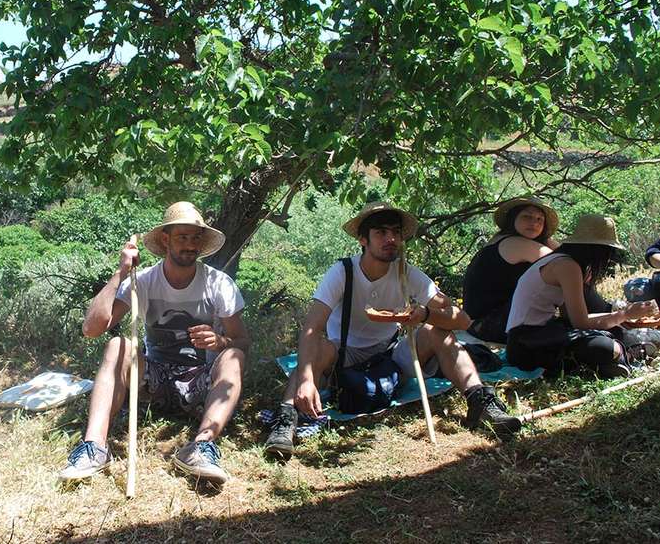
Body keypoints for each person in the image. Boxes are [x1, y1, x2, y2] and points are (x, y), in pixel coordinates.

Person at [264, 202, 521, 457]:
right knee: (316, 350)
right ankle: (286, 420)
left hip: (390, 354)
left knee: (438, 331)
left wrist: (426, 314)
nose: (391, 239)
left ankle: (480, 402)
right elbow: (312, 326)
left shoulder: (407, 274)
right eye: (381, 233)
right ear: (363, 239)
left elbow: (462, 320)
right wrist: (308, 380)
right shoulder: (343, 272)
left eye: (396, 233)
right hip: (343, 354)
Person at [58, 202, 249, 485]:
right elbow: (93, 329)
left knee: (233, 356)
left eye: (196, 238)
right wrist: (121, 272)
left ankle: (201, 448)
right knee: (116, 346)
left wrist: (221, 341)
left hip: (200, 383)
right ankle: (94, 448)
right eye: (182, 237)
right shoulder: (143, 281)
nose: (190, 245)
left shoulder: (218, 284)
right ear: (165, 239)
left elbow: (243, 342)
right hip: (153, 380)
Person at [506, 214, 657, 377]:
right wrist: (626, 314)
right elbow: (581, 323)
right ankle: (622, 356)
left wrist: (618, 318)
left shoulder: (561, 261)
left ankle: (615, 358)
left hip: (538, 336)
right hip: (526, 344)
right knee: (604, 346)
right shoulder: (567, 266)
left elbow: (570, 319)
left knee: (612, 329)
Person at [462, 197, 559, 344]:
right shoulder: (514, 243)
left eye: (540, 220)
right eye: (527, 216)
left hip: (488, 322)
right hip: (487, 325)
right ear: (513, 218)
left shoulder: (509, 240)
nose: (534, 223)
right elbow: (566, 265)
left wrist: (547, 239)